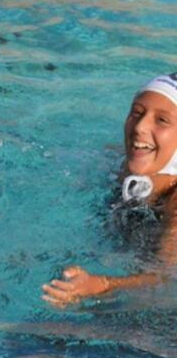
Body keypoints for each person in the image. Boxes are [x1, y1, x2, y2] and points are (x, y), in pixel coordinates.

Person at [42, 73, 177, 306]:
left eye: (162, 120)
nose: (140, 127)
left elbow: (165, 284)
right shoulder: (118, 164)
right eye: (137, 113)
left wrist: (101, 286)